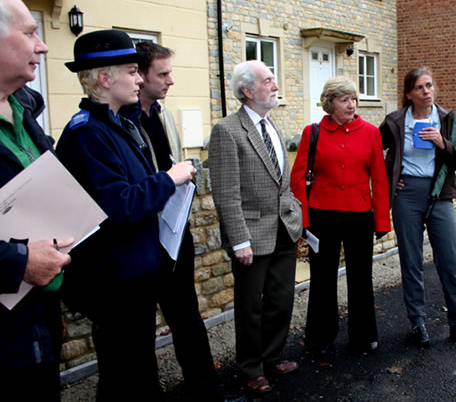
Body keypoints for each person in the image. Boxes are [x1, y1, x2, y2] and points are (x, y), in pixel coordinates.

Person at [55, 29, 196, 400]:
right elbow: (120, 205)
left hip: (134, 273)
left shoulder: (116, 125)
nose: (139, 79)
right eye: (133, 71)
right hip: (114, 280)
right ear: (105, 78)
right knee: (124, 377)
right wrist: (168, 179)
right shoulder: (87, 134)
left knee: (139, 373)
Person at [135, 41, 244, 402]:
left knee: (188, 318)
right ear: (140, 75)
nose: (171, 81)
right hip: (141, 238)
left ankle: (207, 392)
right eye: (162, 74)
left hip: (174, 232)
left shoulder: (163, 114)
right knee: (137, 335)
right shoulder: (122, 120)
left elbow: (172, 161)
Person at [208, 60, 303, 395]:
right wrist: (239, 240)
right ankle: (251, 367)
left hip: (284, 229)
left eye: (274, 78)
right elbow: (226, 193)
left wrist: (297, 214)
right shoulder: (227, 131)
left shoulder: (273, 126)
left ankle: (272, 354)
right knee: (251, 307)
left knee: (281, 299)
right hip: (251, 236)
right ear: (248, 91)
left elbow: (283, 183)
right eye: (268, 80)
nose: (275, 85)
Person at [0, 0, 73, 401]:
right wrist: (20, 260)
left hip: (38, 316)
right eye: (29, 33)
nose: (42, 47)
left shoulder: (25, 110)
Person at [379, 67, 456, 349]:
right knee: (411, 262)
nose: (426, 91)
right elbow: (377, 153)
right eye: (419, 88)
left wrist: (442, 143)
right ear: (409, 94)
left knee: (451, 261)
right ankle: (418, 323)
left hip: (440, 194)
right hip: (407, 197)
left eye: (429, 85)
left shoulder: (449, 119)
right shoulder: (395, 121)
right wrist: (393, 179)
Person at [290, 76, 390, 356]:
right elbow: (298, 179)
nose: (351, 104)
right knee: (322, 278)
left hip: (359, 215)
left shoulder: (371, 132)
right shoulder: (313, 132)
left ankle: (364, 334)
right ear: (330, 103)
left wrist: (382, 219)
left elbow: (379, 180)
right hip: (323, 216)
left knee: (361, 277)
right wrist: (304, 220)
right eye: (344, 99)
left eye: (354, 99)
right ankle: (321, 336)